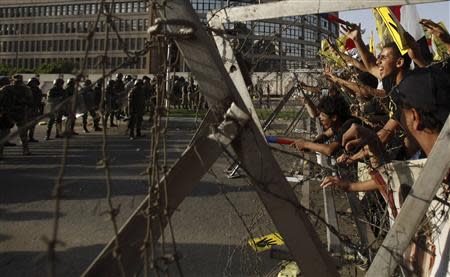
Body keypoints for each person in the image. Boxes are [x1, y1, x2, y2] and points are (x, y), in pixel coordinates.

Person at [320, 66, 450, 276]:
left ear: (414, 117)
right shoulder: (430, 169)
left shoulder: (430, 174)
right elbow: (397, 177)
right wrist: (372, 144)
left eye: (401, 116)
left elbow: (399, 180)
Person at [0, 75, 33, 156]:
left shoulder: (25, 89)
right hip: (8, 113)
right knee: (4, 133)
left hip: (19, 112)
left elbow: (30, 102)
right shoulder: (6, 88)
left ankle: (25, 150)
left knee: (22, 132)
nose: (17, 82)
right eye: (16, 80)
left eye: (19, 81)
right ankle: (1, 152)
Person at [26, 77, 44, 142]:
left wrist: (40, 109)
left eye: (35, 83)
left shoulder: (38, 90)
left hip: (34, 108)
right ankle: (25, 138)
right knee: (26, 124)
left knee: (33, 124)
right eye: (32, 82)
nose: (34, 84)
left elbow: (39, 100)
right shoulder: (26, 90)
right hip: (27, 108)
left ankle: (31, 137)